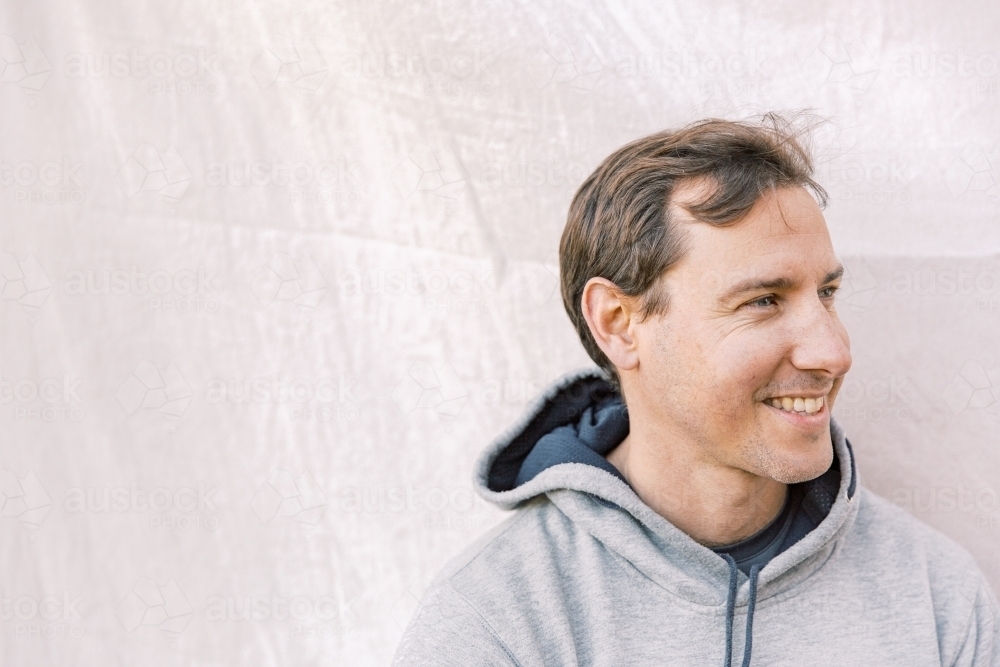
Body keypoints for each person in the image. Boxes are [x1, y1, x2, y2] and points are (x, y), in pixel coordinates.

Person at [392, 115, 1000, 666]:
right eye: (763, 300)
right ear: (619, 323)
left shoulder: (937, 598)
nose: (833, 353)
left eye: (826, 294)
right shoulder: (495, 623)